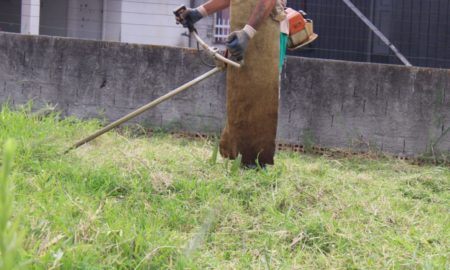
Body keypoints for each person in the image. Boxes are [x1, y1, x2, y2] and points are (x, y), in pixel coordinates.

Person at [179, 0, 284, 168]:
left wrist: (247, 33)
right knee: (240, 94)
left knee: (259, 94)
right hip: (243, 32)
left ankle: (255, 161)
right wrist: (199, 12)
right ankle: (238, 157)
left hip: (263, 30)